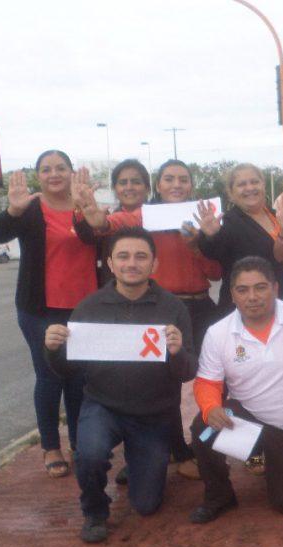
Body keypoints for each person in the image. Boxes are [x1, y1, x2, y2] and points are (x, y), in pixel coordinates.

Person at [43, 227, 196, 543]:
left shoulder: (173, 308)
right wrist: (53, 348)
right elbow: (66, 369)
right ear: (110, 263)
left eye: (141, 256)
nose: (132, 263)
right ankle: (95, 511)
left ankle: (139, 463)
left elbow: (187, 372)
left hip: (153, 414)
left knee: (146, 505)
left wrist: (178, 352)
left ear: (154, 264)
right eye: (123, 256)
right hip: (104, 405)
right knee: (90, 454)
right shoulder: (90, 307)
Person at [74, 159, 222, 480]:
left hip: (200, 306)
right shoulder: (144, 215)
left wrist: (197, 244)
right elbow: (108, 224)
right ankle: (176, 451)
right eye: (169, 179)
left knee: (209, 378)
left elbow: (215, 271)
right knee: (162, 383)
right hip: (160, 309)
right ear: (159, 185)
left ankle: (209, 442)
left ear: (191, 185)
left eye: (183, 178)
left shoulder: (205, 216)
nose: (176, 184)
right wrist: (95, 219)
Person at [188, 257, 283, 522]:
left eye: (260, 287)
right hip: (248, 421)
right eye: (243, 290)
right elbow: (207, 381)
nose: (252, 297)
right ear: (232, 295)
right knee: (202, 429)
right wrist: (210, 406)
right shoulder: (218, 333)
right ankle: (219, 495)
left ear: (275, 288)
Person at [0, 150, 97, 479]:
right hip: (39, 309)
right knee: (50, 377)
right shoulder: (30, 208)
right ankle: (51, 446)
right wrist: (13, 209)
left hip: (85, 309)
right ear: (38, 176)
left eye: (60, 168)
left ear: (71, 171)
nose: (54, 174)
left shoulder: (86, 205)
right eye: (46, 169)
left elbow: (98, 239)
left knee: (79, 379)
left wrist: (86, 207)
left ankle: (80, 441)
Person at [193, 163, 283, 313]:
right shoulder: (228, 222)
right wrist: (211, 236)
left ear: (263, 185)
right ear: (231, 193)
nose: (250, 188)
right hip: (244, 308)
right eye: (242, 184)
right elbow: (214, 250)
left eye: (254, 182)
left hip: (279, 301)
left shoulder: (277, 215)